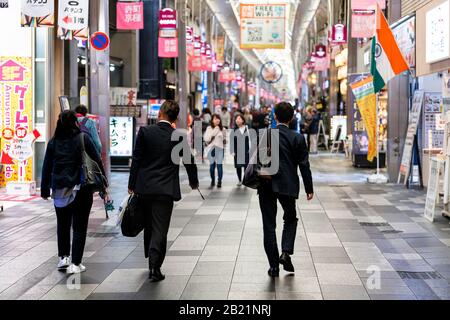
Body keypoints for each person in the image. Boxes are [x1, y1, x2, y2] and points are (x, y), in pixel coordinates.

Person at [128, 100, 199, 282]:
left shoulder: (145, 132)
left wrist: (132, 184)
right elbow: (189, 160)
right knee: (160, 228)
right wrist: (193, 182)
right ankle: (154, 266)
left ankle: (151, 261)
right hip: (165, 189)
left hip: (144, 187)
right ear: (175, 117)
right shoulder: (178, 136)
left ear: (160, 113)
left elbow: (136, 159)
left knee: (149, 226)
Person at [41, 110, 108, 275]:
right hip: (81, 188)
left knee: (62, 224)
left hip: (60, 189)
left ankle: (63, 258)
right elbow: (97, 159)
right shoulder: (82, 139)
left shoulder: (53, 142)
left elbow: (46, 166)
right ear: (75, 123)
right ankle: (76, 263)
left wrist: (44, 189)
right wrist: (104, 183)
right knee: (79, 226)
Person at [257, 102, 314, 278]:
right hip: (287, 185)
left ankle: (273, 267)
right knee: (290, 218)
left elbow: (259, 159)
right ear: (291, 118)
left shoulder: (267, 135)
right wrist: (309, 188)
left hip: (266, 184)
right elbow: (304, 165)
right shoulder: (297, 138)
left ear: (275, 116)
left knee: (269, 225)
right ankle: (286, 252)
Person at [204, 114, 226, 188]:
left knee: (220, 166)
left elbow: (225, 140)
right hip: (211, 149)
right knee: (212, 166)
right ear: (212, 120)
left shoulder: (223, 129)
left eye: (218, 118)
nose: (217, 120)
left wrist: (224, 142)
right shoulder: (209, 128)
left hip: (220, 149)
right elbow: (206, 139)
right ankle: (212, 180)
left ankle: (219, 181)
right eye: (215, 119)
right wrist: (216, 130)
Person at [231, 114, 251, 187]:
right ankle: (239, 180)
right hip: (237, 151)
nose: (237, 120)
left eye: (239, 118)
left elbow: (250, 140)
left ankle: (245, 180)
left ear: (243, 120)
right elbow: (232, 141)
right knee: (238, 166)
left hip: (246, 150)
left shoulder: (247, 128)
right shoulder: (234, 130)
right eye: (236, 118)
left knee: (246, 166)